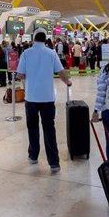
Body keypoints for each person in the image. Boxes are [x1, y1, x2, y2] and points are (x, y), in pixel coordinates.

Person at [16, 28, 72, 173]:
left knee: (32, 127)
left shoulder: (26, 53)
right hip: (47, 98)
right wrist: (68, 83)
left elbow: (20, 74)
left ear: (34, 39)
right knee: (49, 129)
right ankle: (54, 163)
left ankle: (33, 155)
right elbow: (61, 73)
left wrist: (30, 76)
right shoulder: (51, 53)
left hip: (31, 98)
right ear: (45, 39)